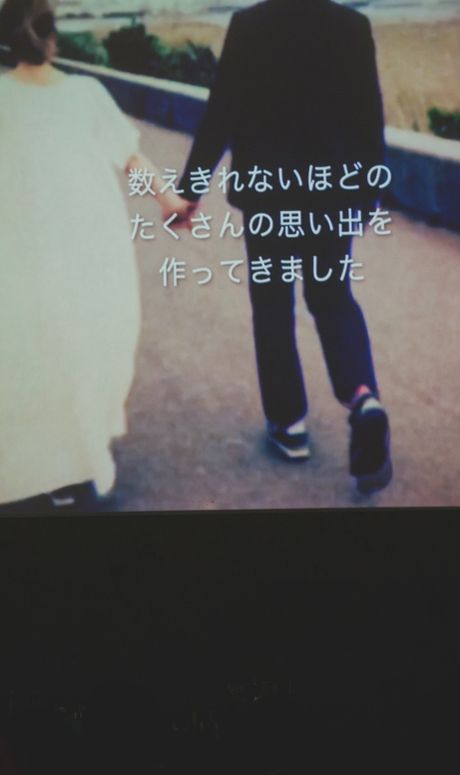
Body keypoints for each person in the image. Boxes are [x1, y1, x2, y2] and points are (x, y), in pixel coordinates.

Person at [0, 0, 190, 511]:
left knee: (29, 351)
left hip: (22, 253)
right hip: (92, 247)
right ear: (54, 38)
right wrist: (168, 200)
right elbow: (131, 159)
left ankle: (49, 463)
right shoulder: (87, 93)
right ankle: (76, 456)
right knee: (84, 345)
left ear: (7, 38)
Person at [171, 0, 392, 493]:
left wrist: (190, 190)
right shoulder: (351, 26)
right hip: (333, 192)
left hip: (268, 193)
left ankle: (289, 424)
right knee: (332, 297)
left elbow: (222, 111)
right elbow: (369, 117)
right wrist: (368, 195)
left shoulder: (250, 25)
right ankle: (363, 398)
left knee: (273, 305)